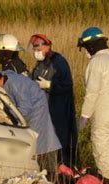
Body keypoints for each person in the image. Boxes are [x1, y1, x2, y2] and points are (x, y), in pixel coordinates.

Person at [0, 65, 61, 180]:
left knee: (41, 146)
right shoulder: (5, 79)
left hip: (36, 115)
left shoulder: (16, 85)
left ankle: (49, 178)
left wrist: (11, 121)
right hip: (31, 113)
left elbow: (25, 109)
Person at [77, 27, 109, 180]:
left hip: (105, 115)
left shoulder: (97, 62)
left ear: (91, 46)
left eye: (85, 47)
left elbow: (92, 93)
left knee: (104, 153)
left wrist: (84, 116)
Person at [28, 34, 78, 168]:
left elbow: (67, 85)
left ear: (47, 47)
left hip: (58, 111)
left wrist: (50, 86)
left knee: (59, 142)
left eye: (38, 49)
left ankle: (62, 171)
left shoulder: (59, 62)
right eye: (34, 49)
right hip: (43, 112)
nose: (36, 52)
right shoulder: (40, 64)